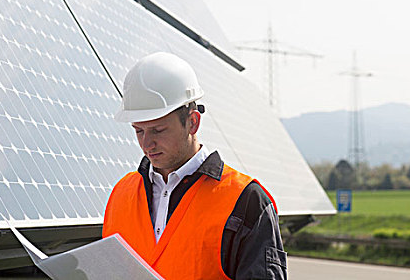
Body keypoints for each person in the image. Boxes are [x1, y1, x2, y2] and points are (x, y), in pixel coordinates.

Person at [103, 52, 287, 279]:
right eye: (138, 131)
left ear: (192, 122)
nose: (147, 143)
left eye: (158, 130)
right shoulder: (121, 194)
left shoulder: (245, 201)